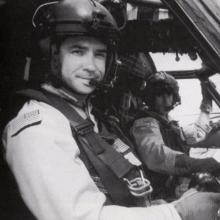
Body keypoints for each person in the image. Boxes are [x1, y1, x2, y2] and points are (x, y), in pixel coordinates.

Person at [2, 1, 220, 220]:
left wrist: (160, 206)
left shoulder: (92, 118)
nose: (91, 65)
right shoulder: (40, 128)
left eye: (99, 54)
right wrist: (177, 213)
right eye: (78, 51)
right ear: (54, 55)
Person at [129, 71, 220, 200]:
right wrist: (198, 164)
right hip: (158, 195)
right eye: (159, 95)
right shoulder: (145, 123)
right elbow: (157, 155)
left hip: (174, 186)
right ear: (150, 97)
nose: (166, 101)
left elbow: (196, 133)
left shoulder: (167, 122)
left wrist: (207, 101)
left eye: (169, 95)